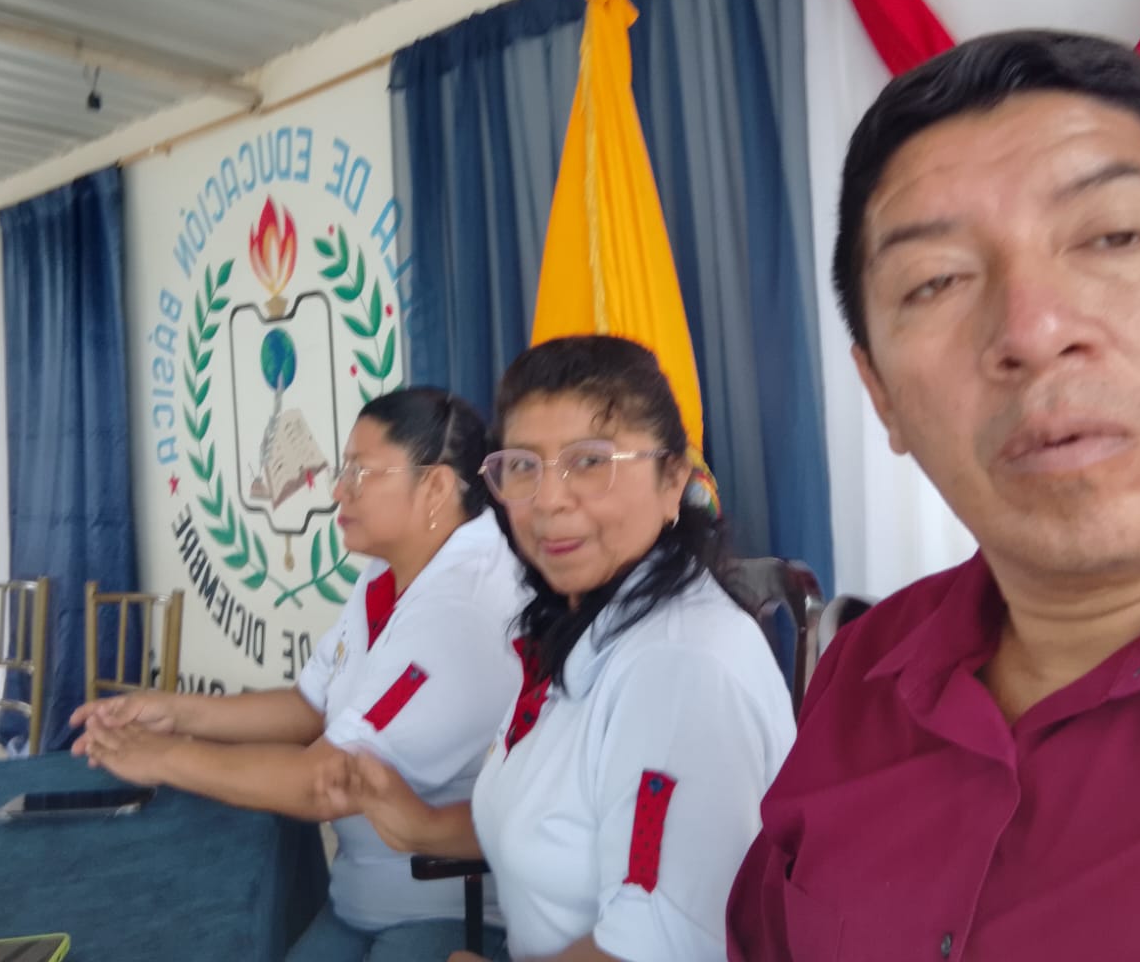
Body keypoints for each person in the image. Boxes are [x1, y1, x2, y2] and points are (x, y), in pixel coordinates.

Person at [727, 30, 1140, 961]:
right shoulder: (864, 672)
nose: (1032, 329)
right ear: (881, 395)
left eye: (1112, 236)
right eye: (936, 281)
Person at [327, 335, 796, 962]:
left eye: (590, 461)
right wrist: (423, 826)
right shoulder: (579, 624)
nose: (548, 499)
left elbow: (659, 947)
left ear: (672, 481)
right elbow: (564, 818)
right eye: (523, 465)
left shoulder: (679, 668)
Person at [71, 387, 525, 962]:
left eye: (360, 473)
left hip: (448, 916)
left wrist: (163, 757)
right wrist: (174, 711)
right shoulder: (390, 573)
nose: (337, 491)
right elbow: (310, 706)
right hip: (364, 898)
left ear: (434, 487)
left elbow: (322, 783)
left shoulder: (463, 603)